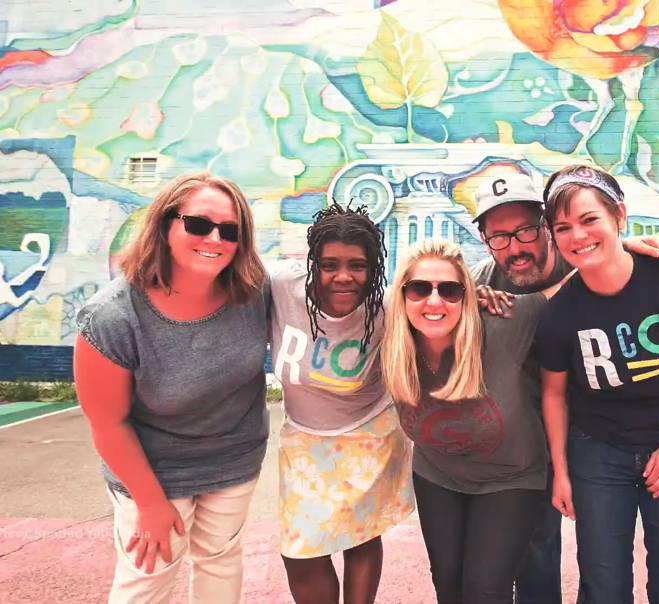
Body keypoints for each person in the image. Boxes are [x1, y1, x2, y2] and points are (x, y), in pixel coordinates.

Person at [468, 171, 659, 604]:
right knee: (534, 543)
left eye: (526, 231)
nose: (515, 247)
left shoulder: (583, 257)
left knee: (614, 557)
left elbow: (601, 251)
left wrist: (623, 246)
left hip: (595, 428)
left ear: (547, 225)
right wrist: (461, 297)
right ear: (484, 240)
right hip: (527, 430)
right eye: (499, 237)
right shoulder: (479, 280)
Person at [534, 165, 659, 604]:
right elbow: (554, 394)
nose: (578, 236)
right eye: (562, 227)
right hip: (598, 453)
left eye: (589, 220)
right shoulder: (559, 312)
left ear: (619, 216)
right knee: (603, 588)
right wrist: (562, 473)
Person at [74, 172, 270, 603]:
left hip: (233, 460)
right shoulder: (113, 317)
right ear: (165, 225)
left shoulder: (253, 292)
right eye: (199, 224)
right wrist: (149, 503)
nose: (214, 238)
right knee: (148, 576)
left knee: (219, 562)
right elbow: (107, 423)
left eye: (230, 230)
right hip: (152, 469)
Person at [381, 238, 572, 604]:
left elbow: (571, 283)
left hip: (510, 476)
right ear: (402, 296)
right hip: (438, 475)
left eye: (450, 290)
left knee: (486, 590)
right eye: (420, 289)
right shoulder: (388, 340)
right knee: (449, 585)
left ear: (466, 297)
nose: (434, 302)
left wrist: (626, 244)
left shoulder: (502, 326)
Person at [269, 203, 415, 604]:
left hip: (369, 434)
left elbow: (446, 298)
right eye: (330, 264)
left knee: (360, 537)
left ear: (374, 269)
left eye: (358, 265)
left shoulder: (386, 311)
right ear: (313, 263)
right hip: (303, 438)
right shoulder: (282, 286)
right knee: (300, 552)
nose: (344, 277)